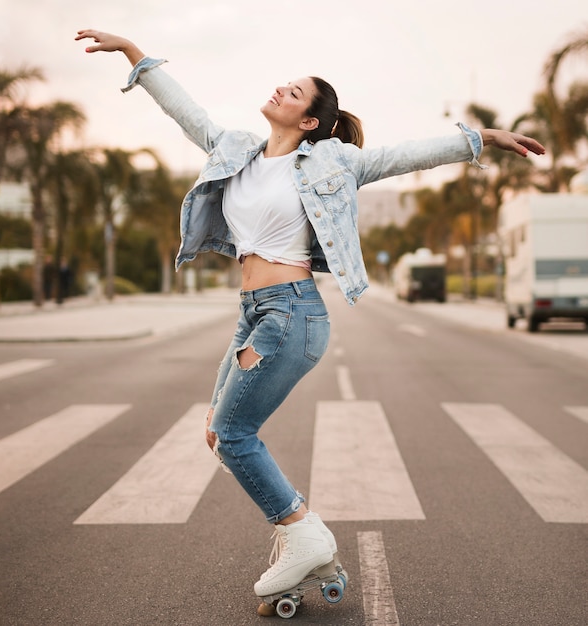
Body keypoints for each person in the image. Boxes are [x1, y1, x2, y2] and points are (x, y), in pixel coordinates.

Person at [75, 29, 545, 601]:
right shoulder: (234, 148)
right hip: (253, 312)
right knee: (217, 433)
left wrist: (483, 139)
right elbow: (184, 109)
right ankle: (313, 550)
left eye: (294, 92)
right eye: (285, 84)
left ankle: (302, 535)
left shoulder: (333, 162)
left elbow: (401, 156)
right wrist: (131, 52)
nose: (281, 89)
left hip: (291, 314)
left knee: (233, 432)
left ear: (310, 123)